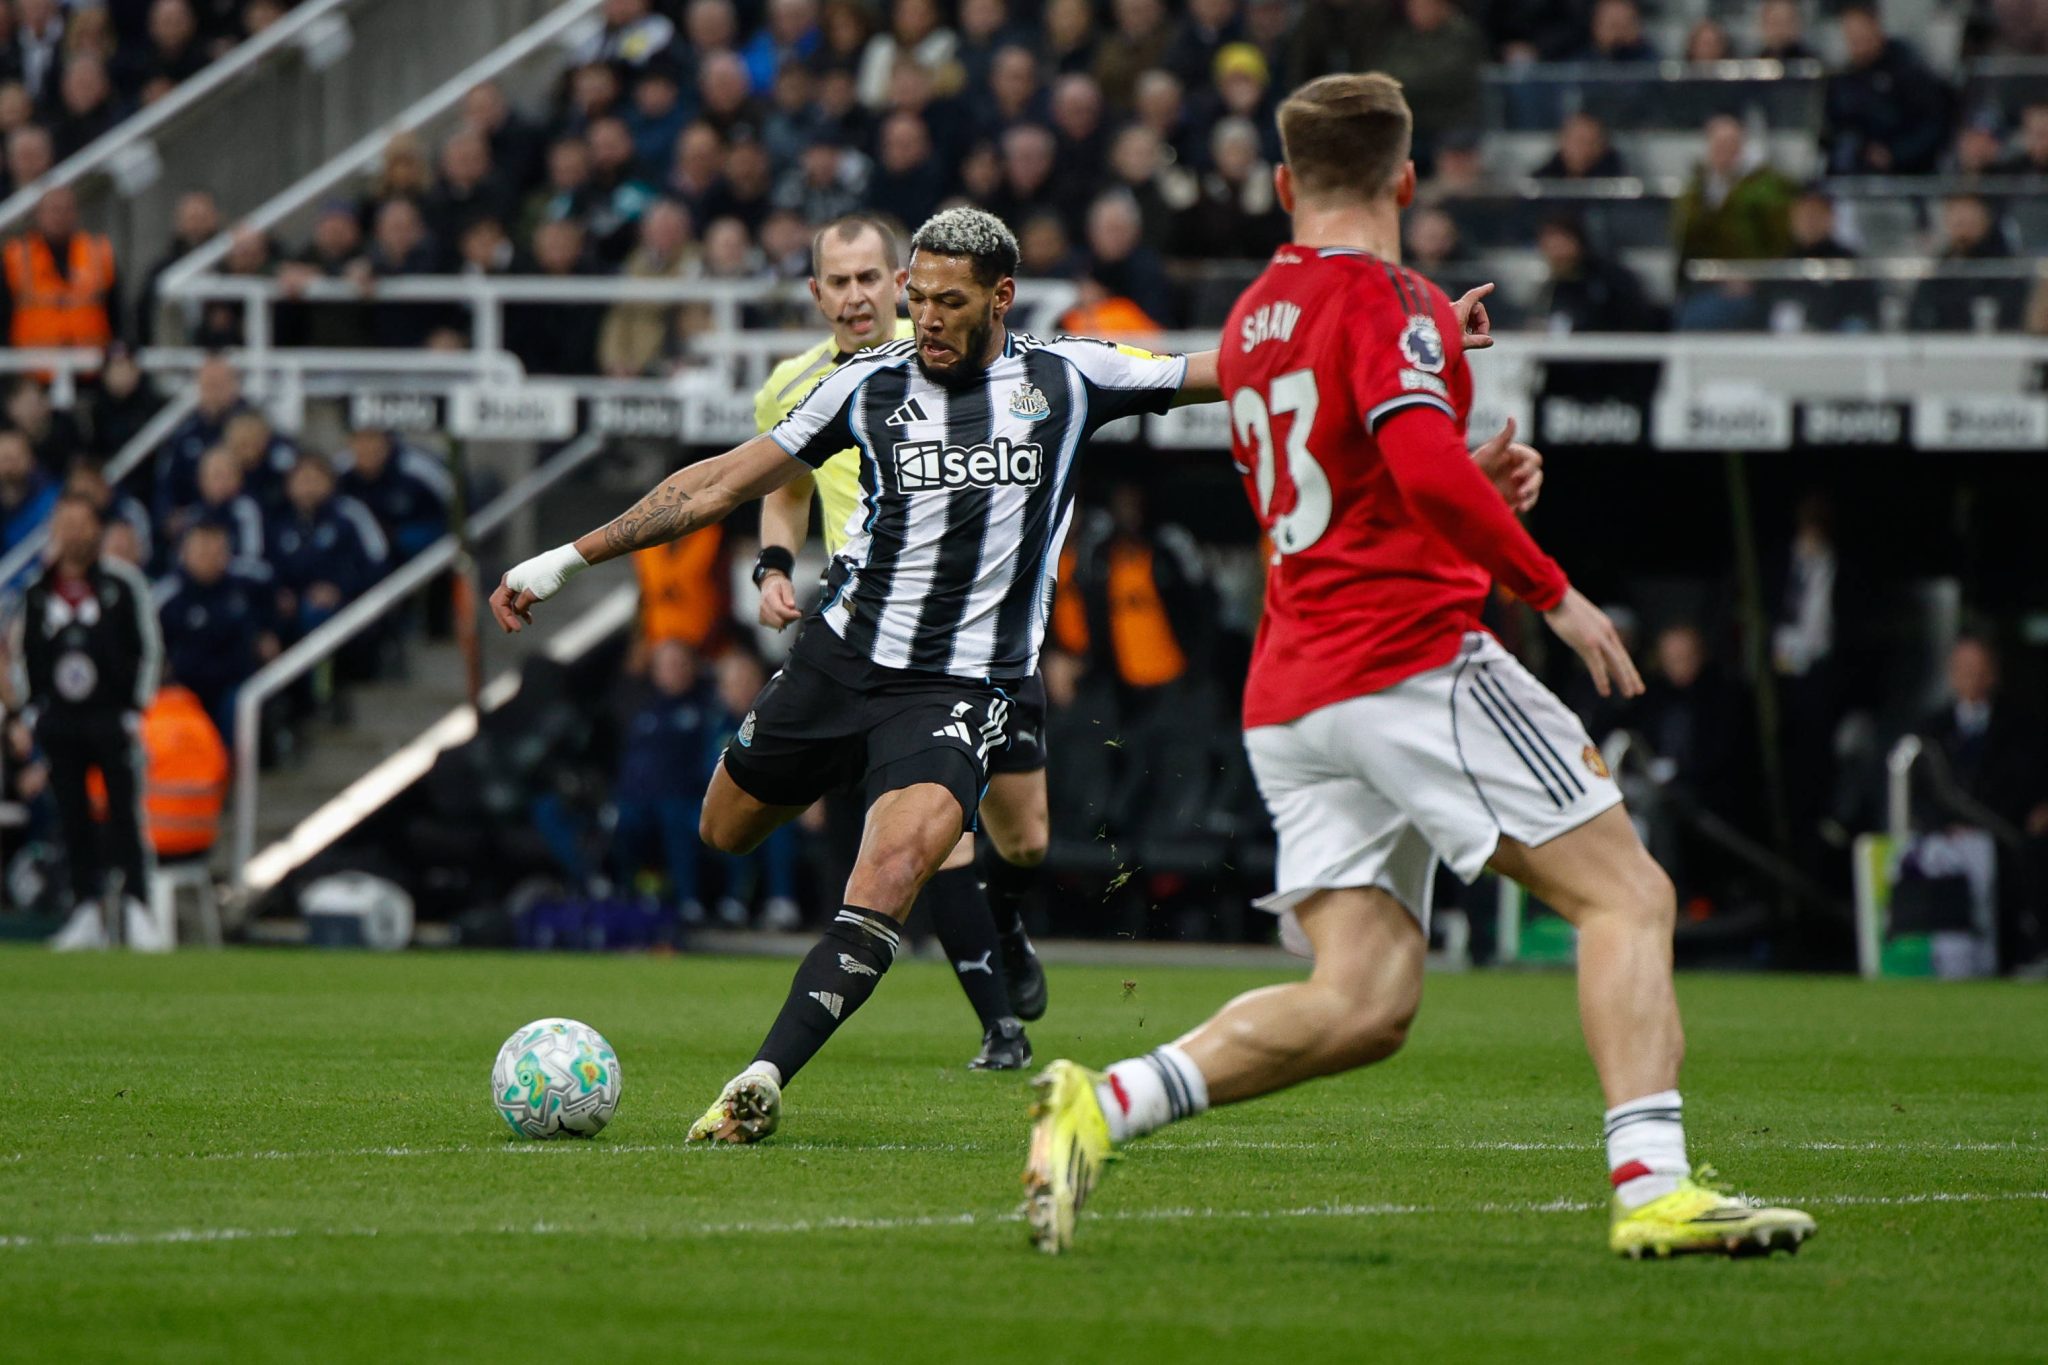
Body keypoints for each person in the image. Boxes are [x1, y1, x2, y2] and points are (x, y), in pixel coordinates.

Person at [1019, 73, 1814, 1260]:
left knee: (1365, 1001)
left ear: (1284, 186)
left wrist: (1440, 399)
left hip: (1293, 694)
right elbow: (1420, 467)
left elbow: (1347, 485)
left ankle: (1102, 1102)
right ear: (1402, 180)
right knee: (1628, 896)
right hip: (1405, 663)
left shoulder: (1253, 317)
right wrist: (1556, 590)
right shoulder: (1393, 302)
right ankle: (1651, 1185)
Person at [492, 206, 1225, 1139]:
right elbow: (720, 482)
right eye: (915, 297)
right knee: (723, 831)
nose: (924, 318)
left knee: (894, 866)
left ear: (1001, 298)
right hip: (839, 662)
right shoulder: (865, 385)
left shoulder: (1071, 376)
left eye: (947, 302)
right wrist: (562, 559)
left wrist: (1417, 335)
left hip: (960, 688)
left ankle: (762, 1076)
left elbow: (1231, 368)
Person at [745, 212, 1047, 1071]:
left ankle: (1007, 925)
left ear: (901, 284)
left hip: (989, 631)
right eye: (836, 283)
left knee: (1022, 838)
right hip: (872, 640)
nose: (855, 297)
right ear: (816, 294)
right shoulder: (796, 384)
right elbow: (783, 482)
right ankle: (999, 1024)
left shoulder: (955, 352)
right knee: (929, 836)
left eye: (870, 279)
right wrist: (775, 563)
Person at [12, 494, 164, 950]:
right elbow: (24, 654)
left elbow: (149, 647)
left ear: (97, 529)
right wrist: (29, 709)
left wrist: (136, 709)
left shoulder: (122, 584)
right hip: (61, 722)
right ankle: (84, 911)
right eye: (66, 524)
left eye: (82, 523)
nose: (74, 533)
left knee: (123, 815)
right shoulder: (38, 589)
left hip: (110, 719)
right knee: (72, 818)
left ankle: (138, 909)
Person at [152, 522, 277, 739]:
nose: (209, 558)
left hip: (234, 684)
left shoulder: (245, 590)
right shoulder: (166, 597)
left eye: (217, 551)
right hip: (184, 687)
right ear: (185, 552)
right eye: (202, 550)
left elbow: (269, 624)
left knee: (241, 701)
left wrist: (268, 635)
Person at [1, 187, 118, 354]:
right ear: (38, 214)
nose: (60, 217)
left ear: (76, 213)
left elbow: (115, 311)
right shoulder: (16, 256)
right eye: (54, 210)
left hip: (91, 365)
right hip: (31, 366)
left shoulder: (98, 252)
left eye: (66, 209)